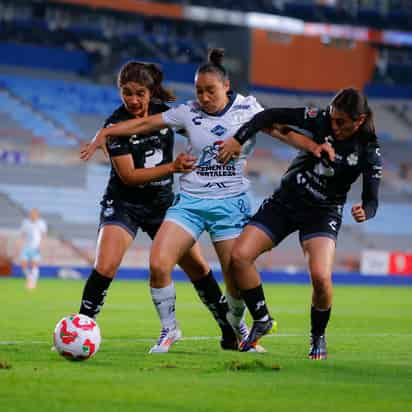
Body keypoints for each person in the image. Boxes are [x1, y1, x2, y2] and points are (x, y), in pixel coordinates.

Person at [81, 49, 333, 354]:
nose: (203, 97)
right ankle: (168, 330)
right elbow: (139, 129)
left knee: (231, 279)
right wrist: (104, 132)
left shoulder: (247, 109)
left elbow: (280, 131)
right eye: (198, 90)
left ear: (226, 86)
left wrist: (315, 146)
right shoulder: (186, 112)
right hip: (185, 201)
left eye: (209, 90)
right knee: (158, 264)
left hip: (228, 203)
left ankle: (237, 329)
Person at [78, 60, 244, 354]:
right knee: (105, 266)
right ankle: (80, 330)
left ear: (150, 91)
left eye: (139, 93)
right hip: (124, 203)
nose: (133, 100)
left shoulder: (165, 115)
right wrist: (173, 167)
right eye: (126, 93)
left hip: (163, 204)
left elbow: (199, 127)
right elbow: (128, 177)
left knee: (199, 269)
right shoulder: (116, 126)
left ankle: (229, 330)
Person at [219, 87, 383, 359]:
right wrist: (239, 139)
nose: (333, 125)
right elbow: (268, 115)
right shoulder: (318, 119)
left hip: (323, 212)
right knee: (239, 257)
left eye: (341, 122)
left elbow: (372, 199)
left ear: (360, 120)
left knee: (321, 278)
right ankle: (262, 319)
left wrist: (365, 210)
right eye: (332, 118)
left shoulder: (369, 150)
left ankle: (318, 336)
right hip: (285, 202)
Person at [17, 208, 47, 289]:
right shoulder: (25, 222)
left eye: (34, 213)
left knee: (34, 265)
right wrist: (19, 244)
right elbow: (22, 234)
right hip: (26, 246)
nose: (32, 215)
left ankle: (33, 282)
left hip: (36, 247)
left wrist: (42, 245)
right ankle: (29, 278)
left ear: (37, 215)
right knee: (23, 264)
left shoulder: (41, 223)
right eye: (31, 213)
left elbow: (43, 235)